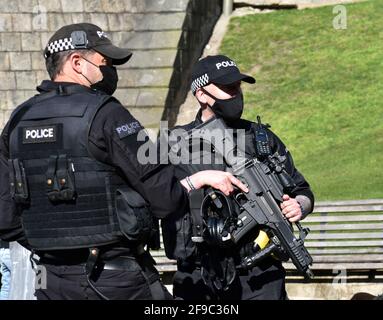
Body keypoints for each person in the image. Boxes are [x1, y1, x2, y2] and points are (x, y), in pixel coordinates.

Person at [0, 25, 248, 300]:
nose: (111, 71)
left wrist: (53, 244)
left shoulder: (17, 121)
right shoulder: (107, 114)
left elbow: (6, 217)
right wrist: (193, 181)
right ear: (77, 63)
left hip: (49, 280)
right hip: (115, 280)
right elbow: (164, 197)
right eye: (105, 62)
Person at [162, 55, 315, 300]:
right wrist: (198, 180)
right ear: (202, 95)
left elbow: (303, 190)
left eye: (238, 87)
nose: (236, 94)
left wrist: (299, 206)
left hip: (258, 274)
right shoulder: (174, 143)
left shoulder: (260, 138)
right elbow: (156, 197)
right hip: (197, 274)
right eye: (227, 88)